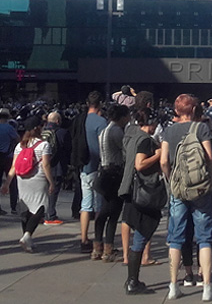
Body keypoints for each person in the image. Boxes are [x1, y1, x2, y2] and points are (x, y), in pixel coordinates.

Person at [159, 95, 212, 301]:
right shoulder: (201, 128)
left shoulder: (169, 130)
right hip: (200, 188)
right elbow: (210, 157)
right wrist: (210, 180)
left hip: (178, 189)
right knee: (204, 237)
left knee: (175, 238)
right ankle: (207, 288)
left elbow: (164, 161)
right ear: (194, 110)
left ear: (176, 111)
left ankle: (174, 286)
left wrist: (170, 180)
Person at [119, 107, 162, 295]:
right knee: (143, 230)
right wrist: (159, 155)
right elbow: (140, 163)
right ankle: (132, 281)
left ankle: (132, 279)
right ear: (150, 124)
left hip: (130, 189)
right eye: (155, 124)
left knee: (138, 230)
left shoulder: (131, 136)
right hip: (142, 193)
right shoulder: (145, 141)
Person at [2, 115, 55, 253]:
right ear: (38, 128)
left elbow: (13, 166)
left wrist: (7, 183)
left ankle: (27, 239)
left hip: (22, 179)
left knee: (25, 208)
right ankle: (27, 235)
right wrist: (51, 182)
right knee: (41, 208)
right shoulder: (44, 145)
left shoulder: (20, 145)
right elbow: (46, 165)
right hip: (38, 179)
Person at [93, 104, 131, 262]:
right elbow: (125, 151)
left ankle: (97, 246)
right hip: (114, 173)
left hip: (104, 171)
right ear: (122, 117)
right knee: (113, 213)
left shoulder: (104, 130)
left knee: (103, 212)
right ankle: (108, 248)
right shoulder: (116, 131)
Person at [79, 92, 107, 254]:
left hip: (84, 165)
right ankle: (98, 239)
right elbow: (103, 145)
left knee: (85, 204)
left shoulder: (81, 119)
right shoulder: (101, 122)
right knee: (98, 206)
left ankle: (83, 238)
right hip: (97, 166)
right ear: (100, 104)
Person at [42, 111, 71, 226]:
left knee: (43, 191)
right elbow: (68, 148)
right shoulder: (63, 132)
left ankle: (41, 214)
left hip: (43, 165)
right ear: (58, 121)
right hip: (57, 166)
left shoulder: (42, 131)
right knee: (53, 191)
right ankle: (51, 214)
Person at [0, 108, 19, 215]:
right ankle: (14, 206)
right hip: (7, 156)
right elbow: (17, 139)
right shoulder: (9, 128)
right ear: (8, 116)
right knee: (11, 181)